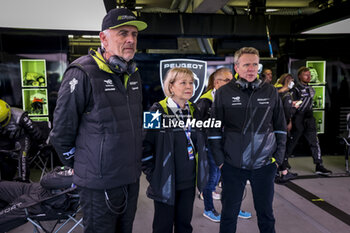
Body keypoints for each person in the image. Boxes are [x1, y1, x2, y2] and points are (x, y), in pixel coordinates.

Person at [49, 8, 147, 233]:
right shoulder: (82, 72)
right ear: (104, 38)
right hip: (98, 184)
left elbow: (136, 122)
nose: (131, 39)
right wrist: (84, 167)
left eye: (134, 34)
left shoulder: (133, 74)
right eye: (123, 33)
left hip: (130, 179)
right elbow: (61, 134)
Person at [208, 47, 287, 233]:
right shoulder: (223, 93)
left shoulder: (271, 92)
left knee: (266, 214)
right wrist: (220, 161)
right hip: (232, 165)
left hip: (265, 165)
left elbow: (281, 127)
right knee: (228, 214)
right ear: (237, 67)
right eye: (246, 64)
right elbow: (213, 130)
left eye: (255, 64)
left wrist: (278, 159)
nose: (251, 68)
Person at [142, 67, 208, 233]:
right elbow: (143, 147)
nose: (189, 87)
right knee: (162, 227)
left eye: (191, 83)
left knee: (184, 226)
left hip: (188, 182)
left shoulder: (194, 111)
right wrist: (154, 175)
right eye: (183, 82)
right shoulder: (155, 110)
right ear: (171, 86)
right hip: (165, 182)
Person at [196, 68, 251, 222]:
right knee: (212, 179)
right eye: (227, 80)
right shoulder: (205, 101)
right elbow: (198, 128)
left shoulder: (233, 97)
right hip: (213, 148)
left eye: (232, 80)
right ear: (217, 82)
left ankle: (233, 208)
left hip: (232, 146)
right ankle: (208, 209)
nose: (231, 83)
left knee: (232, 179)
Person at [285, 67, 332, 175]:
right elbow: (291, 106)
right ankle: (284, 162)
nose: (308, 76)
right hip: (298, 117)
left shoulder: (311, 88)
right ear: (299, 76)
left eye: (309, 74)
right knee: (292, 141)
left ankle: (319, 165)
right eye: (306, 74)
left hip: (309, 117)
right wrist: (290, 121)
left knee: (314, 142)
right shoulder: (295, 89)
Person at [0, 99, 45, 182]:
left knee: (23, 155)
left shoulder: (20, 115)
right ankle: (5, 179)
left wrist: (41, 143)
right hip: (4, 138)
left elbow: (34, 130)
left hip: (21, 136)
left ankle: (24, 181)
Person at [274, 74, 299, 182]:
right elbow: (287, 112)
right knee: (281, 149)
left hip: (272, 124)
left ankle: (277, 172)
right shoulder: (287, 94)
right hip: (282, 124)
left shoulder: (274, 91)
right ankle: (284, 172)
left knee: (274, 148)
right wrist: (294, 108)